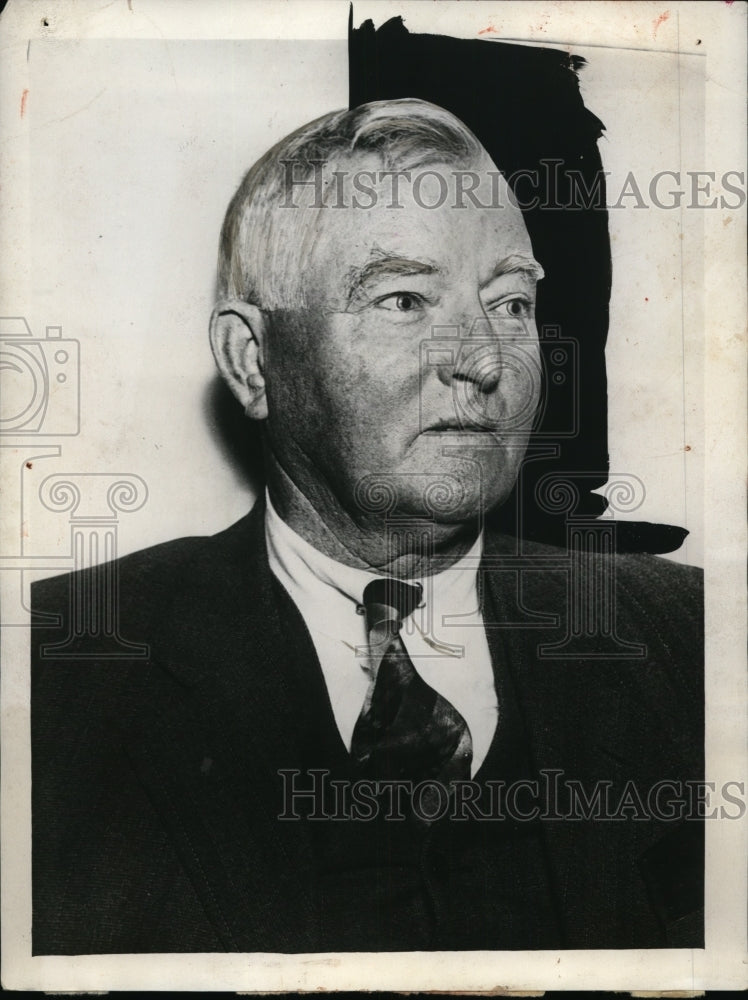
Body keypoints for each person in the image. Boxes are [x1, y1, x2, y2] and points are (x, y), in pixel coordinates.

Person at [31, 99, 704, 955]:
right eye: (403, 299)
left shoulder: (697, 641)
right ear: (253, 360)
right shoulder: (57, 673)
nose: (486, 359)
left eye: (509, 304)